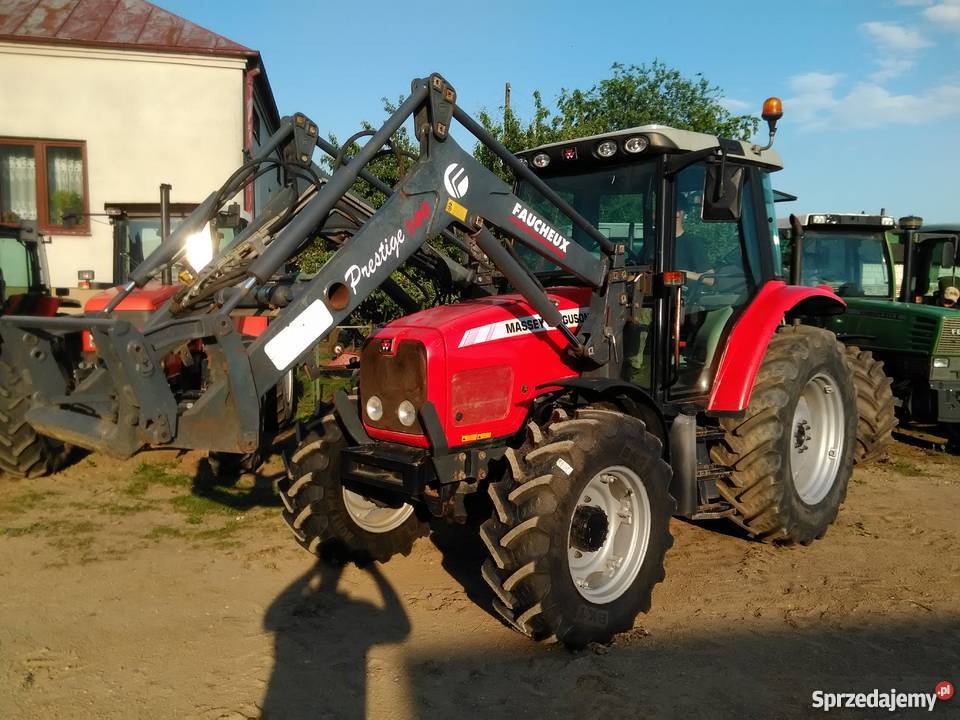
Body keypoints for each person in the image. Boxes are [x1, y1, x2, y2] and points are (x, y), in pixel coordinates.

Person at [674, 192, 714, 285]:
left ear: (678, 213)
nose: (655, 215)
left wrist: (682, 274)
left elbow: (710, 279)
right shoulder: (653, 243)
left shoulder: (692, 243)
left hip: (684, 297)